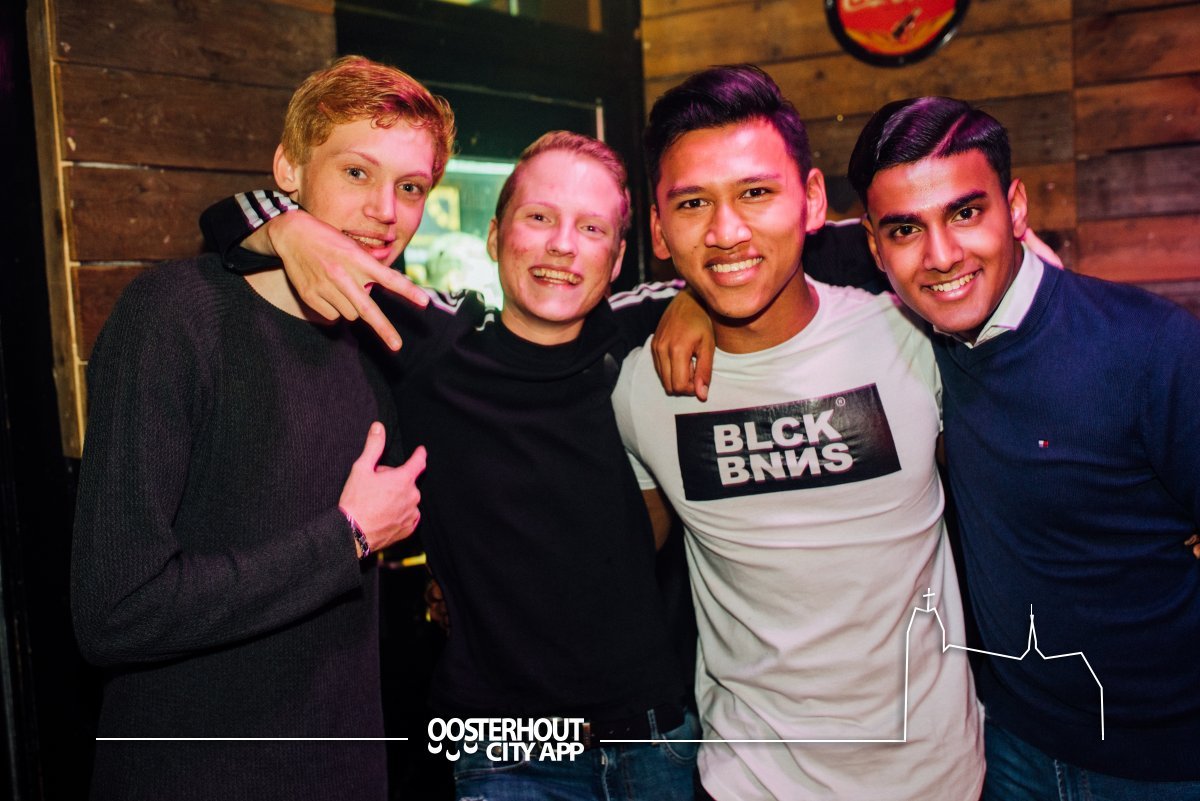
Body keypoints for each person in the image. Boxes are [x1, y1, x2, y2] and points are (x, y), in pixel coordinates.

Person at [203, 131, 701, 801]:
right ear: (495, 237)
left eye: (591, 228)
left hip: (658, 737)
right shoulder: (433, 345)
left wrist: (694, 302)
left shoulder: (642, 338)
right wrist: (290, 229)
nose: (562, 244)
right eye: (539, 217)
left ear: (616, 260)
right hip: (510, 751)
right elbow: (225, 224)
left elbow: (775, 262)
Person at [70, 56, 445, 801]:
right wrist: (346, 538)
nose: (385, 211)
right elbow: (115, 612)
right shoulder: (174, 317)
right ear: (289, 170)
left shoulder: (384, 339)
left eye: (410, 187)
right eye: (356, 172)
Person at [611, 65, 984, 800]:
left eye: (756, 192)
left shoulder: (912, 337)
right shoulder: (642, 387)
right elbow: (615, 562)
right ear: (658, 229)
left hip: (935, 779)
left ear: (811, 199)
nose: (726, 231)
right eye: (693, 203)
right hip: (749, 783)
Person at [848, 96, 1200, 800]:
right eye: (906, 229)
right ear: (875, 246)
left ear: (1015, 208)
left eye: (965, 213)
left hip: (1165, 765)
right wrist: (690, 310)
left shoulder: (1150, 345)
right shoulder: (919, 343)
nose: (941, 255)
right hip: (1010, 744)